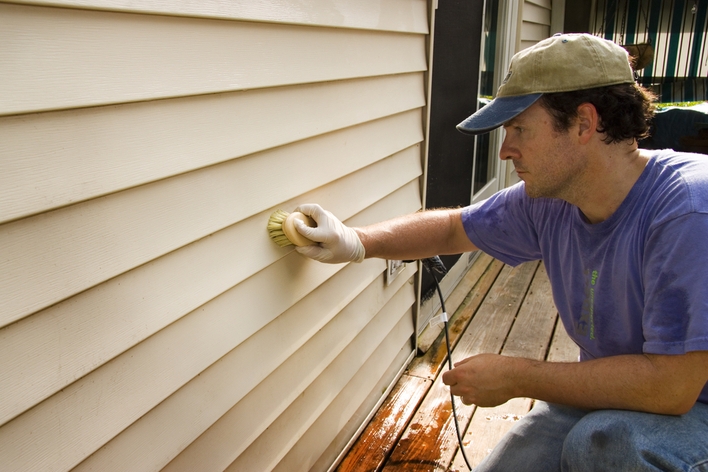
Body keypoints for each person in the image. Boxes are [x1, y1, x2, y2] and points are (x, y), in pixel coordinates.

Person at [291, 33, 708, 471]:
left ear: (585, 124)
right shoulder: (551, 200)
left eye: (520, 129)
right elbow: (454, 228)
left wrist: (516, 376)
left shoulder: (687, 210)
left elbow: (671, 388)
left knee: (605, 445)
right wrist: (355, 241)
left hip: (687, 403)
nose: (506, 149)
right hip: (626, 396)